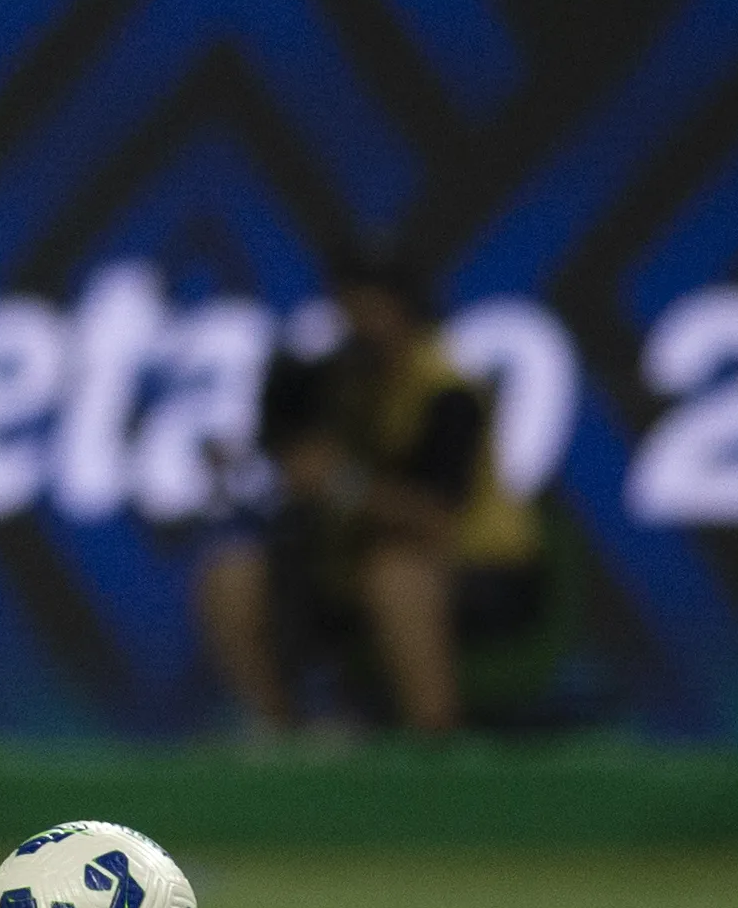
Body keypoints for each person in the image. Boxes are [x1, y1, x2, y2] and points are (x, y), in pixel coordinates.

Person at [191, 240, 541, 736]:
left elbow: (436, 520)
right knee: (232, 571)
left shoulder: (447, 391)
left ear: (405, 311)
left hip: (475, 565)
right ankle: (281, 735)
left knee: (395, 573)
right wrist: (253, 458)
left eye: (371, 307)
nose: (358, 323)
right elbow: (290, 452)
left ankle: (436, 738)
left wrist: (340, 484)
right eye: (349, 306)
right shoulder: (340, 383)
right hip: (351, 560)